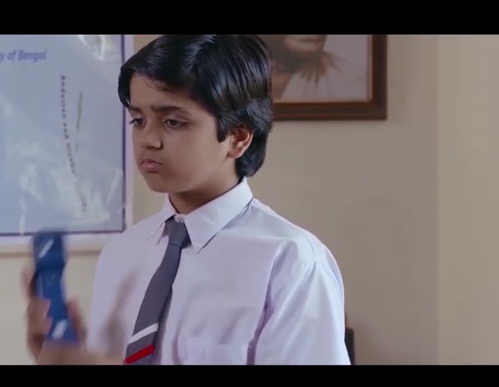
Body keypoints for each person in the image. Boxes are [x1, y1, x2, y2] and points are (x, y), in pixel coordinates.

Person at [22, 34, 351, 365]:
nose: (148, 140)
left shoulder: (289, 263)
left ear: (237, 137)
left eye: (173, 122)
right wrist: (66, 357)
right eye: (138, 120)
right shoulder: (120, 255)